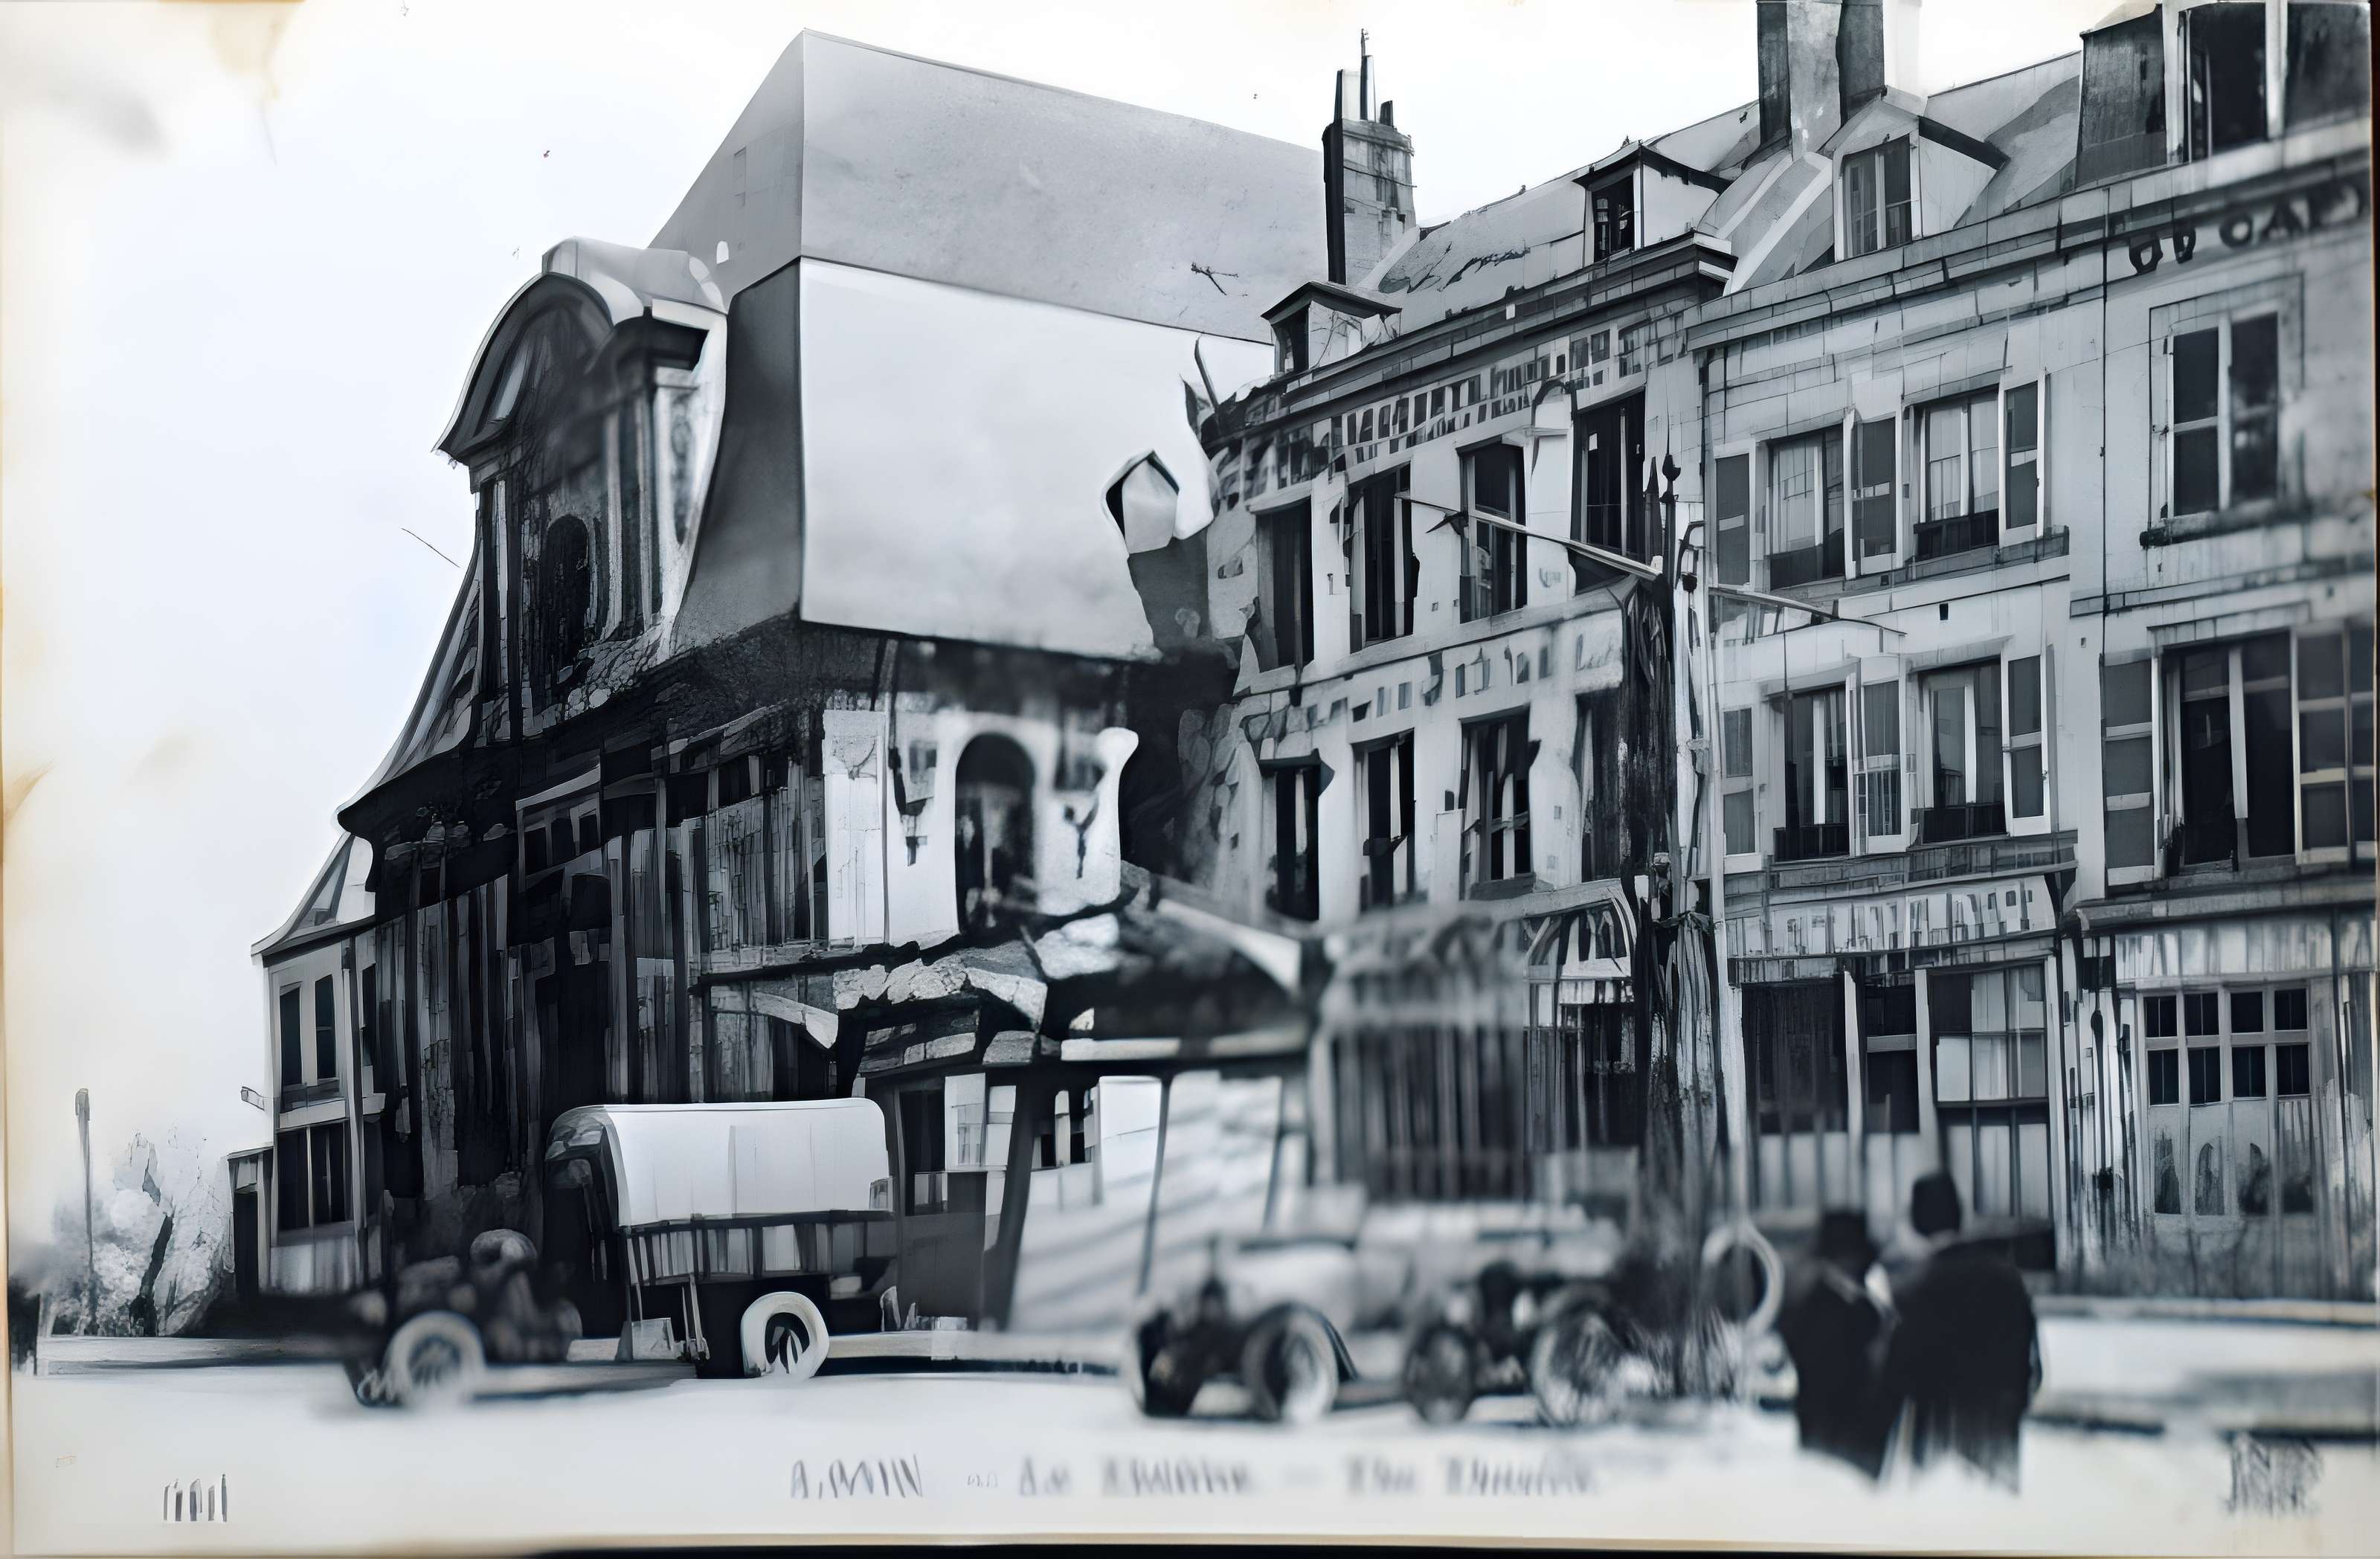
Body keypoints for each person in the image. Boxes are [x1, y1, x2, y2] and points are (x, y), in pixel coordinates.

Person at [1880, 1172, 2040, 1489]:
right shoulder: (2009, 1278)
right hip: (1999, 1447)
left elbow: (1899, 1375)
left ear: (1916, 1223)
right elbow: (2035, 1369)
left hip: (1937, 1449)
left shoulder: (1916, 1287)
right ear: (1960, 1215)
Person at [1774, 1209, 1894, 1479]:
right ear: (1848, 1261)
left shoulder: (1819, 1303)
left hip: (1826, 1436)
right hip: (1841, 1441)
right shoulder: (1835, 1310)